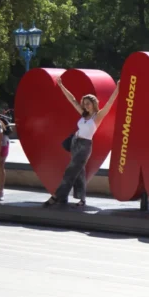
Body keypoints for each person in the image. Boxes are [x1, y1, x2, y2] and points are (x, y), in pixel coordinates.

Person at [43, 77, 120, 208]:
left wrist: (118, 89)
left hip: (84, 146)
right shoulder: (84, 115)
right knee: (79, 173)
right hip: (75, 143)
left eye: (88, 103)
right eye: (84, 103)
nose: (85, 105)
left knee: (70, 171)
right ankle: (82, 199)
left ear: (94, 104)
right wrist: (61, 86)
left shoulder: (98, 116)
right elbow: (72, 100)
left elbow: (110, 103)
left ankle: (57, 196)